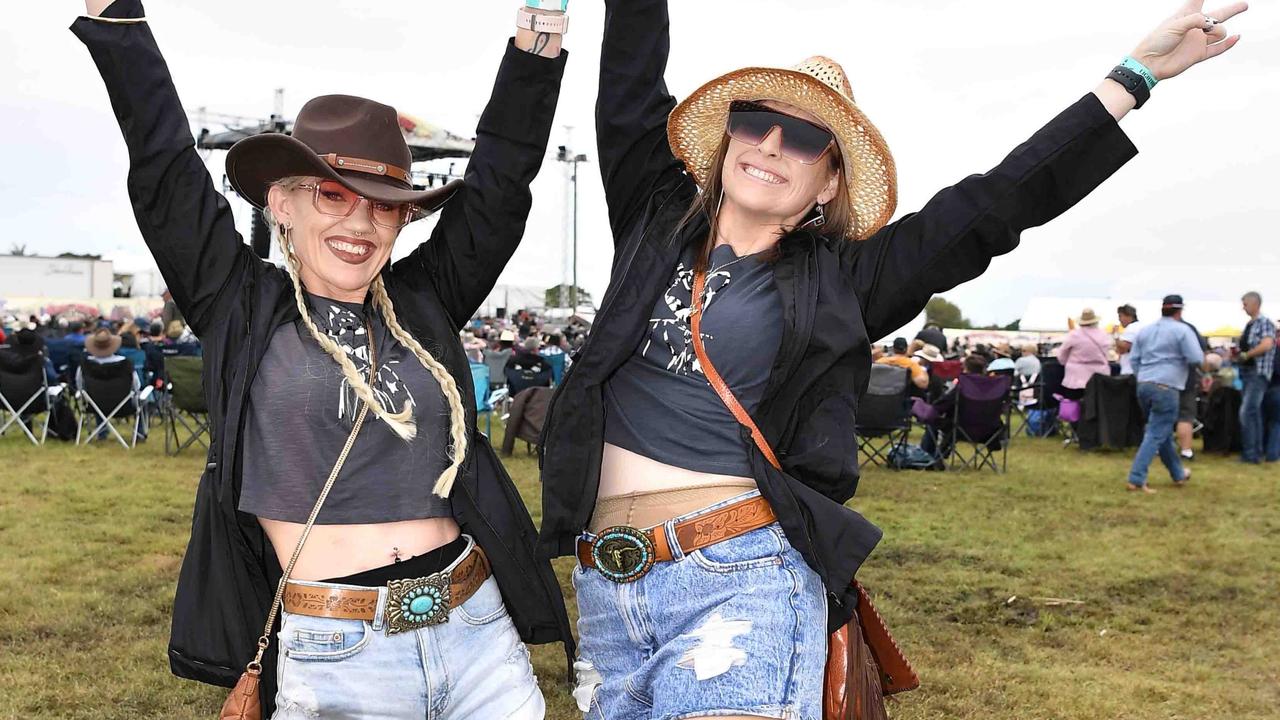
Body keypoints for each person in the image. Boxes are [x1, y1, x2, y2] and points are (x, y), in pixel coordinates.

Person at [536, 1, 1246, 716]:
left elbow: (995, 204)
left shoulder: (844, 280)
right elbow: (629, 85)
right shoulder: (654, 218)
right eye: (754, 121)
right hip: (607, 583)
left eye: (807, 138)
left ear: (832, 182)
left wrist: (1134, 76)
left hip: (739, 575)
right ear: (727, 142)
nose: (771, 144)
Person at [74, 0, 572, 717]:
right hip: (339, 656)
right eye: (333, 196)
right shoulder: (240, 301)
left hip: (477, 636)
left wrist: (538, 40)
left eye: (384, 205)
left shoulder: (425, 300)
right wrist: (118, 21)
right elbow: (164, 165)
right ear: (282, 203)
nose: (359, 222)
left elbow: (498, 189)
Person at [1126, 294, 1204, 492]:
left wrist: (1143, 376)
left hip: (1144, 383)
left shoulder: (1146, 331)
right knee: (1155, 432)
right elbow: (1196, 357)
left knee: (1161, 431)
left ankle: (1178, 474)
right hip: (1167, 385)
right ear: (1180, 311)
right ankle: (1136, 477)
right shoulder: (1182, 330)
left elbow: (1134, 359)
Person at [1169, 297, 1210, 460]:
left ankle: (1159, 448)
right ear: (1180, 310)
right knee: (1185, 415)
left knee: (1162, 415)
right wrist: (1205, 372)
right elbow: (1199, 356)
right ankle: (1186, 451)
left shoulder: (1153, 329)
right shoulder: (1188, 329)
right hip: (1185, 378)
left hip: (1160, 380)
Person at [1237, 291, 1275, 464]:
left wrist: (1247, 355)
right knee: (1254, 414)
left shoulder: (1264, 323)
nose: (1243, 307)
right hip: (1247, 373)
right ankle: (1255, 452)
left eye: (1245, 304)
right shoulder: (1249, 324)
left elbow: (1267, 345)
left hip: (1257, 373)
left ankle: (1250, 454)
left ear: (1255, 304)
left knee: (1247, 412)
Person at [1056, 308, 1113, 399]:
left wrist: (1064, 362)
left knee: (1075, 404)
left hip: (1076, 376)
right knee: (1097, 405)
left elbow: (1062, 353)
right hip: (1099, 375)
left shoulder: (1074, 335)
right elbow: (1107, 354)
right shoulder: (1104, 335)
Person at [1264, 323, 1280, 462]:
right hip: (1276, 387)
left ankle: (1267, 451)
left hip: (1269, 386)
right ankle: (1273, 453)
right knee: (1276, 423)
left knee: (1270, 422)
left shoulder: (1272, 348)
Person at [1116, 303, 1143, 375]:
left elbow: (1123, 348)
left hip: (1129, 371)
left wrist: (1116, 338)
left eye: (1120, 316)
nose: (1119, 319)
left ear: (1128, 316)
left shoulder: (1131, 328)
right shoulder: (1141, 326)